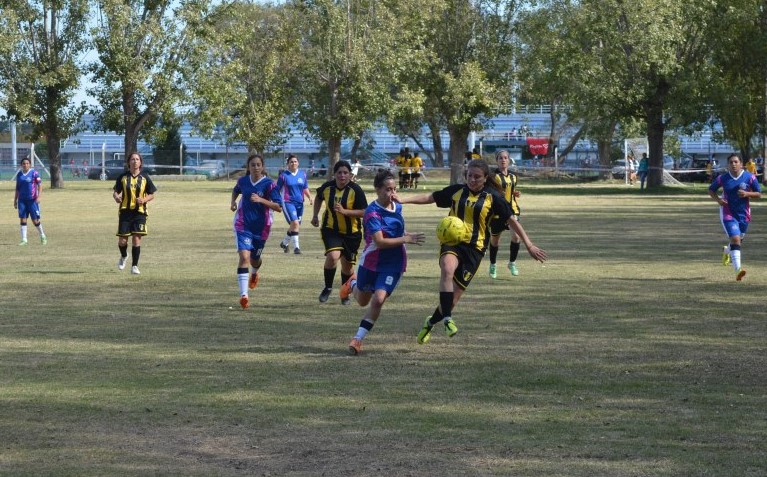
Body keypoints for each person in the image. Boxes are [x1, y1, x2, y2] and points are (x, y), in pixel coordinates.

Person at [394, 159, 547, 344]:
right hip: (452, 241)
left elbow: (512, 221)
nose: (472, 180)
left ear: (485, 178)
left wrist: (529, 245)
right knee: (447, 269)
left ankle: (431, 321)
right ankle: (448, 319)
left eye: (477, 177)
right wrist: (403, 199)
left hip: (475, 248)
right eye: (469, 176)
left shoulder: (493, 197)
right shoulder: (457, 191)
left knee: (453, 298)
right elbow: (431, 197)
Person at [340, 169, 426, 355]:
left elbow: (394, 230)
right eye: (387, 190)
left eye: (394, 189)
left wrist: (405, 235)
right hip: (371, 262)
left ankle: (357, 339)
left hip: (393, 264)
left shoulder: (398, 207)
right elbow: (379, 242)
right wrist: (406, 240)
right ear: (377, 190)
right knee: (363, 301)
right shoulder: (372, 213)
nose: (392, 194)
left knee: (378, 300)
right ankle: (352, 283)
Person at [311, 160, 368, 304]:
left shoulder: (356, 190)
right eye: (339, 173)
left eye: (345, 173)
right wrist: (315, 215)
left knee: (348, 267)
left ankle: (345, 293)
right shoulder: (327, 187)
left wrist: (345, 212)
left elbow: (364, 212)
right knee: (333, 255)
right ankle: (328, 287)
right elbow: (318, 198)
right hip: (331, 229)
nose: (342, 176)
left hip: (352, 233)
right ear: (334, 174)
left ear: (350, 175)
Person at [231, 154, 283, 309]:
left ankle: (254, 273)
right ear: (248, 167)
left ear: (263, 167)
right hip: (243, 225)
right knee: (244, 257)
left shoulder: (269, 184)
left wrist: (261, 200)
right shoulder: (243, 181)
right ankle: (244, 296)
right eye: (252, 165)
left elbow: (278, 207)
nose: (255, 167)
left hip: (261, 228)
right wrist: (233, 202)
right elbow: (236, 190)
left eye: (258, 165)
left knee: (255, 259)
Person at [708, 153, 761, 281]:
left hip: (744, 214)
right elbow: (711, 190)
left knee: (738, 240)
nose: (733, 164)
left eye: (736, 162)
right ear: (728, 165)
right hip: (727, 213)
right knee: (736, 239)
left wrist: (747, 193)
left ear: (741, 164)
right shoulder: (723, 178)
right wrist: (719, 201)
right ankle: (738, 270)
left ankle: (727, 252)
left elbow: (759, 193)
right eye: (731, 162)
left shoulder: (750, 177)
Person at [113, 152, 156, 275]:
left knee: (137, 239)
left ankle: (135, 266)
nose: (135, 161)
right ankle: (124, 256)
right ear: (128, 162)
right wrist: (116, 197)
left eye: (137, 159)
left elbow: (152, 194)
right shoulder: (123, 177)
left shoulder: (145, 178)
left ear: (140, 162)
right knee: (123, 241)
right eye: (132, 159)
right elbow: (116, 192)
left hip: (139, 213)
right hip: (125, 212)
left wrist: (144, 200)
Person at [487, 150, 521, 278]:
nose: (503, 160)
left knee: (516, 237)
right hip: (497, 213)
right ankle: (493, 265)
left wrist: (514, 193)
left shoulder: (513, 176)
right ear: (497, 160)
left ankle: (512, 263)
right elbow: (492, 192)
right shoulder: (492, 176)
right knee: (495, 241)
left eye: (505, 158)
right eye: (500, 158)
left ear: (509, 160)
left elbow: (509, 190)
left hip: (512, 210)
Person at [276, 154, 313, 254]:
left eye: (295, 161)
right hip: (288, 202)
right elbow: (276, 190)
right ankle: (296, 248)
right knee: (295, 223)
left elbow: (305, 187)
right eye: (291, 162)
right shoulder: (283, 176)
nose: (293, 163)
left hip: (300, 203)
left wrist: (309, 197)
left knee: (295, 225)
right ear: (288, 164)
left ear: (298, 163)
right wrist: (277, 201)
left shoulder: (302, 174)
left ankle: (284, 243)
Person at [14, 156, 47, 246]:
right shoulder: (19, 174)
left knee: (35, 220)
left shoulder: (34, 173)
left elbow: (40, 186)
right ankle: (24, 240)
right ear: (21, 165)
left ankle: (42, 235)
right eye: (24, 163)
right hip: (22, 200)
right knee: (23, 219)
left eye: (27, 163)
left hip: (32, 200)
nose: (25, 165)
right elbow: (17, 188)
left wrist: (39, 197)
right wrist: (15, 200)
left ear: (30, 165)